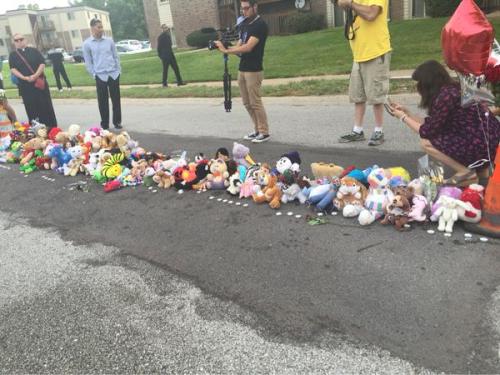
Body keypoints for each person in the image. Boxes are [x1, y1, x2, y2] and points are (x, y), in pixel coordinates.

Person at [388, 60, 500, 186]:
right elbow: (433, 124)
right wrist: (408, 114)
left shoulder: (445, 96)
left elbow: (426, 132)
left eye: (419, 83)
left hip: (479, 140)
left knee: (426, 143)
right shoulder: (451, 89)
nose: (417, 86)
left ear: (427, 82)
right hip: (485, 137)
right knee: (484, 178)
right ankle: (477, 177)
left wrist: (403, 117)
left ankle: (465, 173)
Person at [336, 0, 391, 146]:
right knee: (358, 95)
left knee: (376, 95)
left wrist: (350, 3)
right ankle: (357, 130)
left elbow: (371, 14)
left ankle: (378, 131)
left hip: (376, 51)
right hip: (358, 54)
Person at [215, 0, 271, 143]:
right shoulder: (245, 24)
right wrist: (228, 46)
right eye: (242, 9)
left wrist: (226, 49)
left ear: (255, 7)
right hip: (243, 68)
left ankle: (264, 132)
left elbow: (248, 47)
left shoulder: (260, 25)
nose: (244, 12)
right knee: (247, 103)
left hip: (254, 69)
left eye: (246, 8)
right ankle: (257, 129)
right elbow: (240, 45)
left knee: (255, 102)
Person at [9, 33, 58, 128]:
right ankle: (37, 129)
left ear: (25, 40)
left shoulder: (34, 51)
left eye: (21, 39)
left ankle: (51, 127)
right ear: (14, 43)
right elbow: (13, 69)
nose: (19, 42)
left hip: (39, 83)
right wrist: (24, 77)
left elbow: (42, 64)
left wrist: (35, 75)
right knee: (31, 107)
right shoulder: (13, 55)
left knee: (45, 105)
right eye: (16, 40)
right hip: (25, 85)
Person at [82, 18, 123, 130]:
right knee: (102, 101)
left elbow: (116, 56)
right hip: (100, 76)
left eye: (101, 27)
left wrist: (118, 70)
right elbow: (88, 62)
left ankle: (117, 122)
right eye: (99, 27)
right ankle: (104, 124)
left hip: (113, 74)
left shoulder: (109, 41)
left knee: (116, 99)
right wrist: (94, 74)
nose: (101, 29)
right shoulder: (87, 44)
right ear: (92, 28)